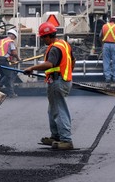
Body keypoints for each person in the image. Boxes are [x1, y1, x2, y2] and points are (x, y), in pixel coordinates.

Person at [24, 22, 76, 150]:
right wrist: (67, 73)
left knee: (59, 110)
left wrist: (32, 68)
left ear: (48, 36)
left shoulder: (54, 48)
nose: (42, 40)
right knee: (52, 110)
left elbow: (49, 64)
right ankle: (56, 136)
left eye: (43, 38)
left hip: (57, 82)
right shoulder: (64, 44)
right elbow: (73, 61)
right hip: (62, 80)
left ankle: (66, 140)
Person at [0, 29, 21, 98]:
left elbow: (4, 51)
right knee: (9, 75)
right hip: (3, 60)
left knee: (5, 76)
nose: (14, 39)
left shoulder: (1, 41)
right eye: (14, 38)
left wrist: (10, 60)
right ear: (13, 36)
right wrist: (18, 59)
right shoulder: (10, 41)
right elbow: (14, 53)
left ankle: (11, 93)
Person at [99, 16, 115, 84]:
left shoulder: (104, 26)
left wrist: (102, 44)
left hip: (106, 45)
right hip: (114, 45)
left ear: (110, 20)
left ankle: (108, 78)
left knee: (106, 62)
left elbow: (100, 36)